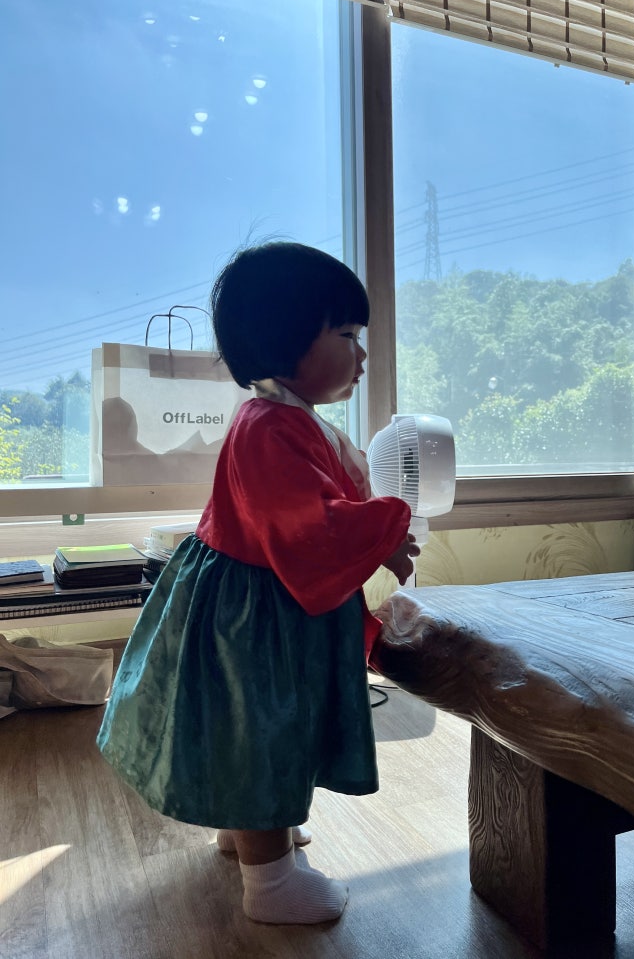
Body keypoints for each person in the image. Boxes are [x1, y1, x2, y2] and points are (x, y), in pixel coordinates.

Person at [96, 241, 419, 925]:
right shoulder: (269, 425)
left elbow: (325, 507)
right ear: (283, 337)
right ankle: (269, 882)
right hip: (256, 615)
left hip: (257, 604)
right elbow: (306, 527)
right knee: (260, 728)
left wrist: (375, 529)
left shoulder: (288, 418)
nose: (362, 354)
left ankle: (249, 828)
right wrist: (385, 531)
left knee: (258, 725)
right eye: (346, 335)